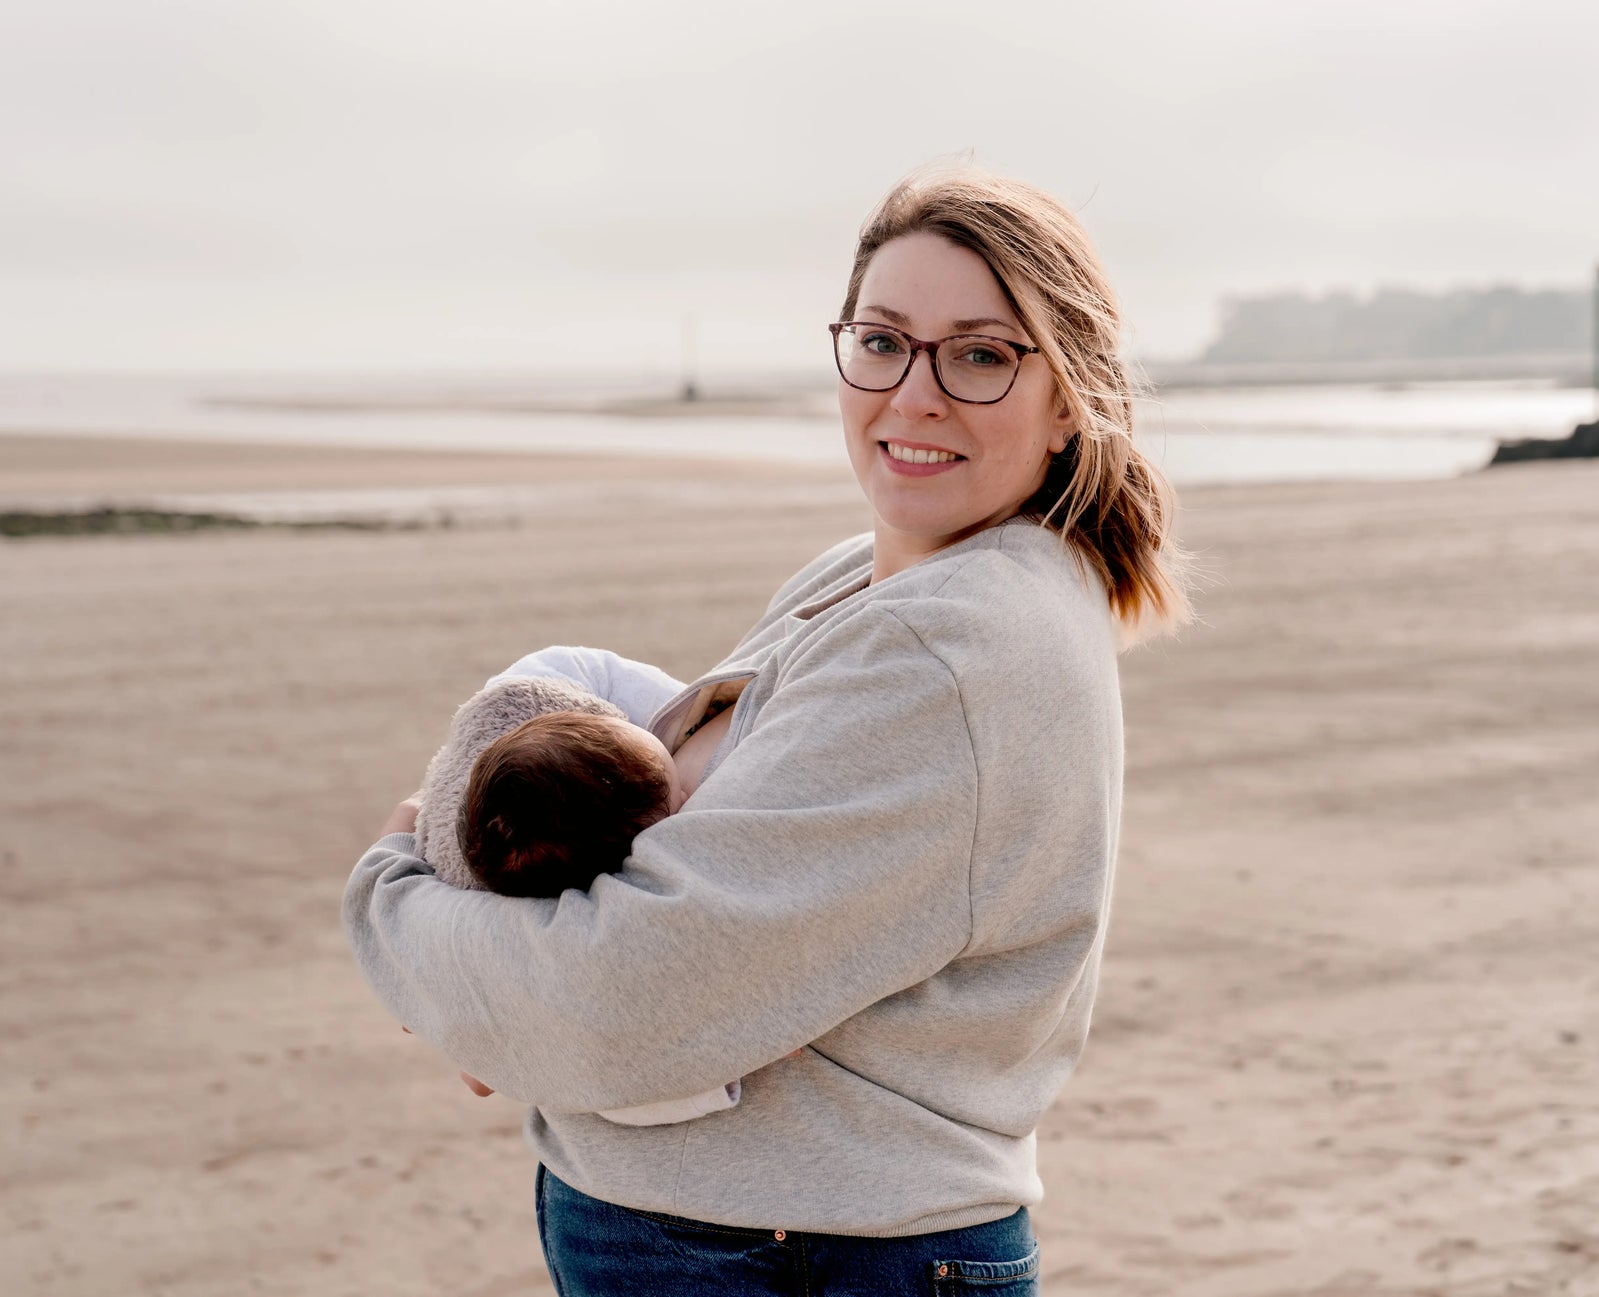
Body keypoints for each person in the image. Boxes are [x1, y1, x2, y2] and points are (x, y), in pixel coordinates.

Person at [345, 164, 1191, 1295]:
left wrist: (394, 898)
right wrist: (499, 997)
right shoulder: (873, 578)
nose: (914, 394)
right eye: (883, 341)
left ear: (1068, 399)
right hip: (762, 1241)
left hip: (789, 1255)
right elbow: (660, 822)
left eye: (980, 354)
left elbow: (623, 1002)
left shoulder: (946, 649)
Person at [407, 660, 743, 1127]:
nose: (689, 798)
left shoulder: (512, 897)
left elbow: (480, 1075)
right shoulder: (614, 938)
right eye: (679, 794)